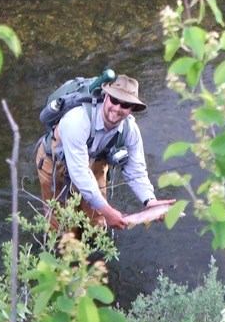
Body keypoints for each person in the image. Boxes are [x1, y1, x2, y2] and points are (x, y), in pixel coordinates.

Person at [35, 74, 174, 229]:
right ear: (106, 96)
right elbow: (79, 172)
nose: (117, 108)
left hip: (94, 162)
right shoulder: (77, 120)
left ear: (132, 109)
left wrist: (150, 201)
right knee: (58, 221)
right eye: (114, 100)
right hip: (54, 161)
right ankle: (60, 247)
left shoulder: (130, 130)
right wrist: (108, 211)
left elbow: (136, 171)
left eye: (125, 105)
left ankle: (95, 248)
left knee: (97, 221)